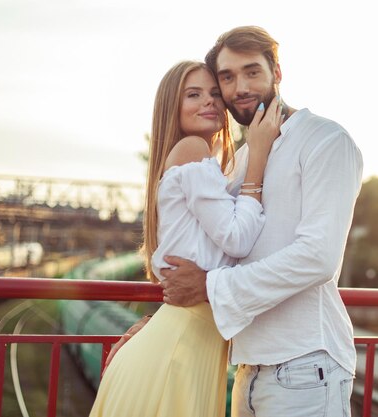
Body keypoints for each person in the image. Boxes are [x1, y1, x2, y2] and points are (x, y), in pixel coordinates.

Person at [109, 26, 363, 416]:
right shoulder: (245, 158)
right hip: (247, 369)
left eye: (252, 71)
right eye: (226, 77)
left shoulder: (325, 140)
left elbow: (318, 257)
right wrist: (164, 322)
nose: (239, 87)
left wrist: (208, 288)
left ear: (277, 72)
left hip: (306, 366)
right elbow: (217, 246)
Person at [89, 60, 282, 417]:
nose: (208, 102)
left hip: (185, 346)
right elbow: (237, 240)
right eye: (193, 95)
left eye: (213, 94)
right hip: (178, 353)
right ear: (172, 107)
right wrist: (258, 155)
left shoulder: (205, 162)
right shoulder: (193, 148)